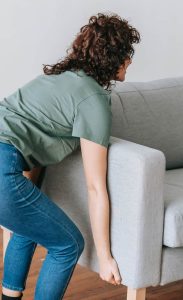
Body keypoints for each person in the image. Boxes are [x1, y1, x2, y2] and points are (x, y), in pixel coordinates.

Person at [0, 12, 141, 300]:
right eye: (127, 54)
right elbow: (95, 187)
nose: (130, 61)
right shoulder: (94, 101)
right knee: (67, 245)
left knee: (28, 226)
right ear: (112, 58)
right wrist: (105, 257)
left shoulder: (54, 80)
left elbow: (27, 140)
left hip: (6, 160)